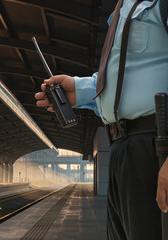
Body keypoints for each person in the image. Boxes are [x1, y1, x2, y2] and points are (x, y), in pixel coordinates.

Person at [35, 0, 168, 239]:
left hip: (156, 146)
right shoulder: (122, 8)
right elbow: (125, 75)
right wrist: (79, 88)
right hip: (123, 149)